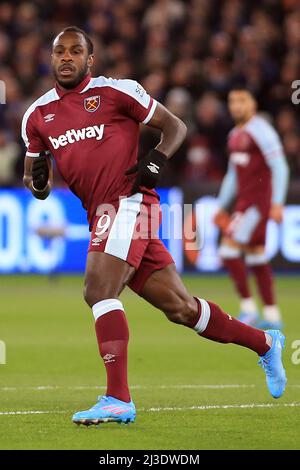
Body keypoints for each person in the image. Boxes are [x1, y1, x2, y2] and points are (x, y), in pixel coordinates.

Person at [22, 27, 286, 426]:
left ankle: (117, 398)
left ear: (90, 60)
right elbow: (36, 187)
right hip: (103, 214)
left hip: (130, 202)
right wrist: (39, 181)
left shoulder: (117, 92)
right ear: (51, 57)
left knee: (98, 289)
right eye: (59, 51)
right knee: (182, 309)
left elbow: (176, 126)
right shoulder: (37, 115)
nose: (66, 57)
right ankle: (265, 343)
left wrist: (156, 159)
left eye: (76, 51)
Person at [214, 87, 289, 329]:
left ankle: (248, 309)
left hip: (257, 205)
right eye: (232, 101)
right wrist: (222, 205)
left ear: (252, 105)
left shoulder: (262, 131)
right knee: (256, 255)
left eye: (241, 101)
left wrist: (277, 203)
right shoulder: (234, 134)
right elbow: (232, 175)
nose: (236, 106)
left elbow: (280, 168)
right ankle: (272, 314)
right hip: (244, 204)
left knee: (228, 251)